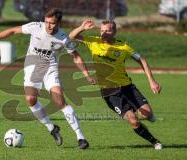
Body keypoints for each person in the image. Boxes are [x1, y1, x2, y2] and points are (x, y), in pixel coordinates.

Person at [0, 8, 95, 149]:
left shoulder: (63, 37)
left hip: (50, 70)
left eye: (52, 23)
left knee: (59, 100)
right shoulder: (36, 27)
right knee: (30, 100)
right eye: (46, 22)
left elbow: (76, 56)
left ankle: (81, 138)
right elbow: (12, 31)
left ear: (58, 23)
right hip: (32, 68)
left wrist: (86, 74)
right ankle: (52, 128)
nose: (48, 25)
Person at [69, 20, 163, 150]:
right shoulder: (94, 42)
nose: (103, 34)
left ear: (114, 32)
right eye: (101, 31)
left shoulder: (123, 47)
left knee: (146, 114)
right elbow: (71, 37)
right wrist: (82, 27)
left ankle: (143, 115)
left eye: (107, 31)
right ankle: (154, 141)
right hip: (109, 92)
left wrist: (152, 81)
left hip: (127, 87)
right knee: (133, 121)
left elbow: (142, 60)